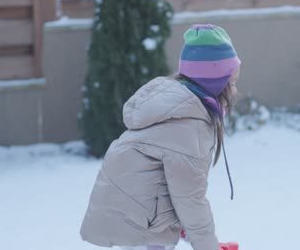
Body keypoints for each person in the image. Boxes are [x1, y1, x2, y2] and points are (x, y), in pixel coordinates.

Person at [79, 24, 241, 250]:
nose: (234, 90)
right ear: (215, 83)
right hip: (140, 226)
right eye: (231, 83)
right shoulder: (188, 127)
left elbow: (168, 186)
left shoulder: (175, 111)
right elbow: (190, 201)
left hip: (134, 218)